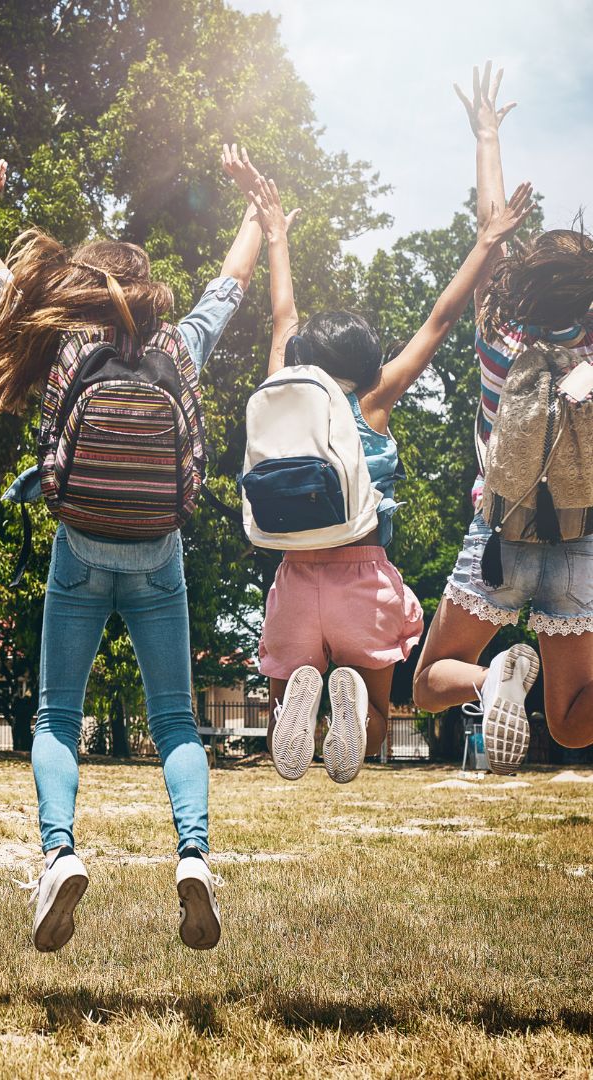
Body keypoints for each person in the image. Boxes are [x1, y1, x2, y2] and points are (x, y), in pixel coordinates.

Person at [0, 146, 267, 952]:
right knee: (177, 720)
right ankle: (192, 858)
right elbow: (232, 283)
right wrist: (258, 204)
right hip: (159, 548)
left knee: (57, 712)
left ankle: (59, 854)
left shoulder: (61, 341)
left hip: (80, 543)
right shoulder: (181, 344)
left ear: (85, 285)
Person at [251, 157, 534, 784]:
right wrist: (488, 241)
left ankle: (297, 697)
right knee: (376, 721)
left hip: (296, 577)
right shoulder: (373, 401)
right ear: (366, 361)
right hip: (362, 577)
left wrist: (277, 237)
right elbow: (441, 317)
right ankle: (350, 693)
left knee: (283, 718)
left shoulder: (282, 391)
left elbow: (283, 316)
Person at [413, 63, 593, 772]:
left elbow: (491, 229)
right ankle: (517, 685)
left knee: (431, 682)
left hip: (499, 536)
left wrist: (486, 136)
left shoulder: (497, 339)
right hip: (579, 538)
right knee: (574, 723)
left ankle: (493, 680)